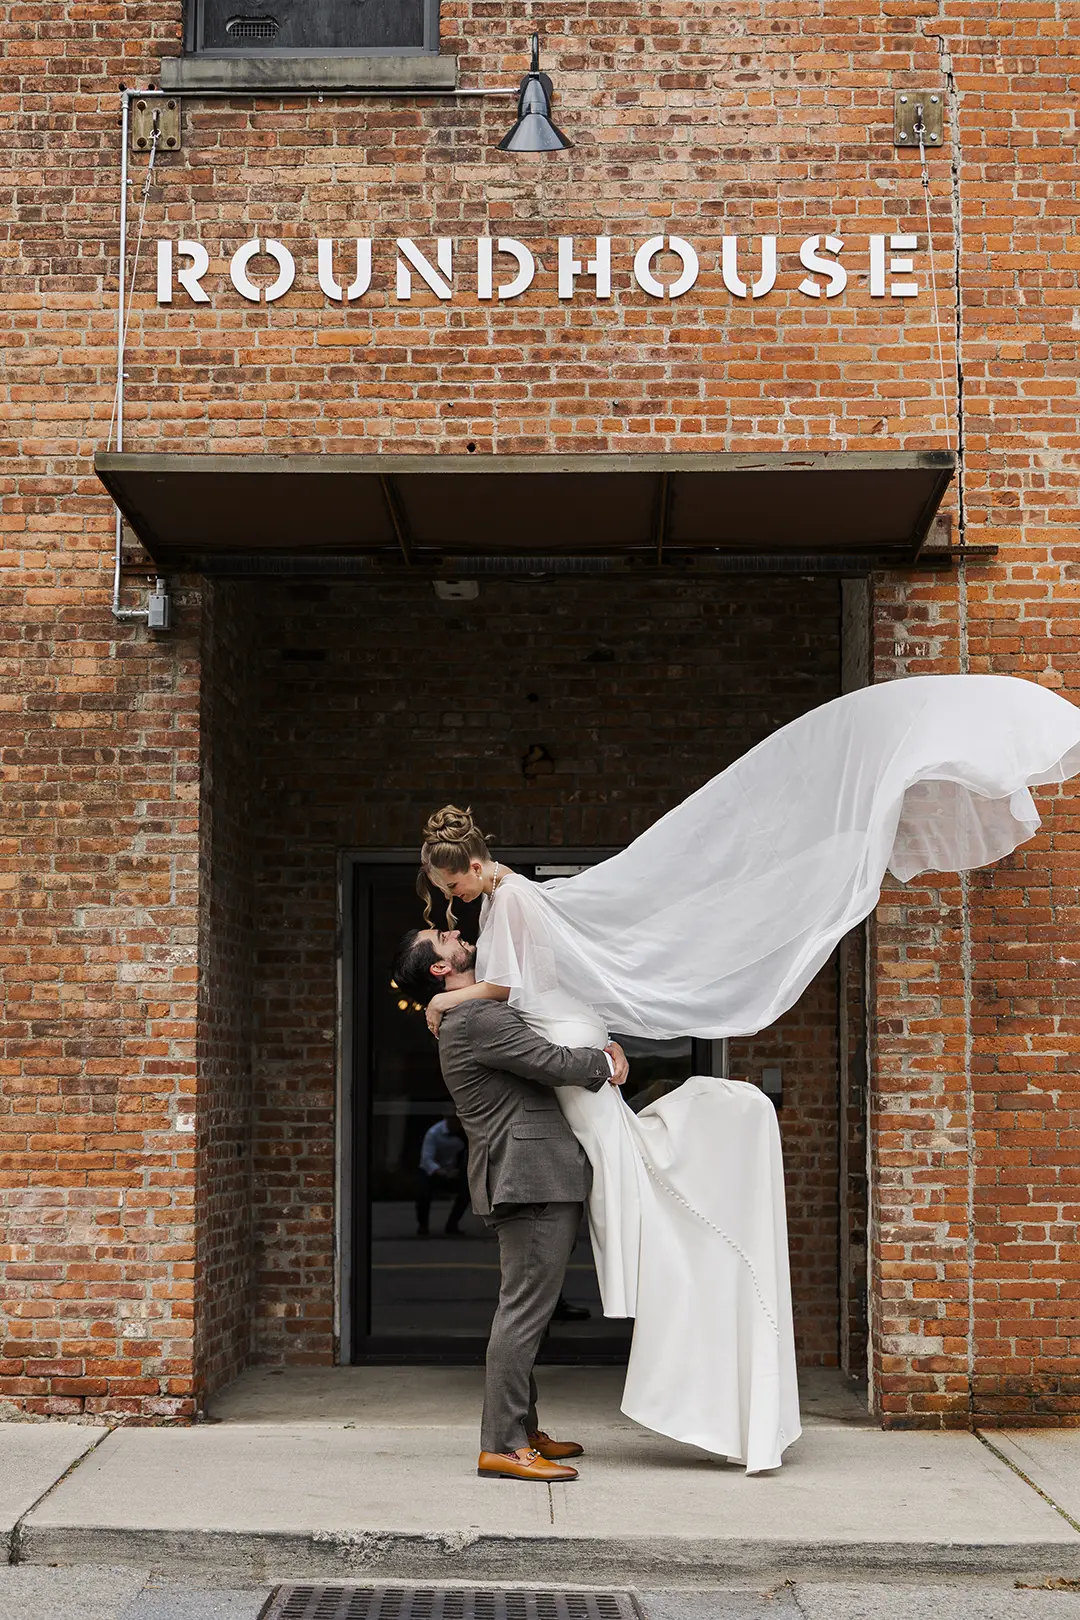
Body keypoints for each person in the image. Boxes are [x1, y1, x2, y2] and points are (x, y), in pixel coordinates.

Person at [411, 674, 1080, 1472]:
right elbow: (526, 1011)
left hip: (569, 1083)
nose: (453, 914)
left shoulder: (509, 908)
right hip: (555, 1113)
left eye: (453, 890)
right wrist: (491, 1016)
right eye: (446, 913)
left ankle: (521, 1428)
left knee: (576, 1258)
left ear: (475, 865)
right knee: (560, 1275)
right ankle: (513, 1436)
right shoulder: (508, 913)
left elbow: (514, 989)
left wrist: (454, 1004)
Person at [392, 925, 630, 1483]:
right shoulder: (477, 1021)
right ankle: (502, 1443)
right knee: (523, 1312)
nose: (454, 932)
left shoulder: (466, 1010)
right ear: (439, 968)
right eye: (442, 938)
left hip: (530, 1176)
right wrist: (607, 1060)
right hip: (530, 1178)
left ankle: (522, 1428)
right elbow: (549, 1061)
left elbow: (510, 989)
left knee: (530, 1311)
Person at [415, 1113, 470, 1237]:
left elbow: (468, 1154)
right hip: (432, 1172)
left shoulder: (465, 1134)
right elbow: (427, 1160)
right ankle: (423, 1226)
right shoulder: (433, 1133)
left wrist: (460, 1170)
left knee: (468, 1190)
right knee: (423, 1193)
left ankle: (452, 1224)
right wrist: (442, 1172)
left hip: (453, 1170)